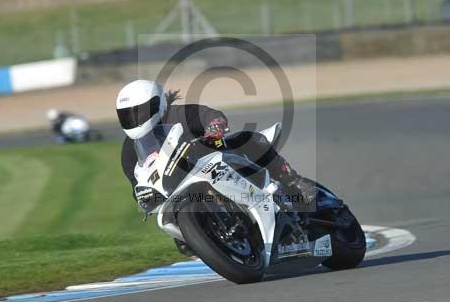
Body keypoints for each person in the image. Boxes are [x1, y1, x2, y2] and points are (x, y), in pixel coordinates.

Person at [116, 79, 318, 208]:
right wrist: (143, 196)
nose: (134, 120)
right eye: (127, 115)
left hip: (211, 158)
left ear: (156, 104)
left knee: (246, 139)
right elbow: (138, 186)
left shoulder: (181, 113)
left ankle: (294, 182)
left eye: (139, 112)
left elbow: (211, 115)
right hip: (179, 187)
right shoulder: (129, 150)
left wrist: (214, 128)